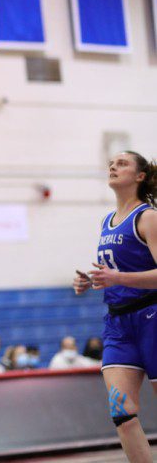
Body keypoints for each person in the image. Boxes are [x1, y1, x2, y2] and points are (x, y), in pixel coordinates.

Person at [73, 151, 157, 463]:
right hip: (118, 324)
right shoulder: (107, 221)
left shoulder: (148, 217)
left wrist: (118, 277)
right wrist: (91, 280)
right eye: (111, 163)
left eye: (122, 163)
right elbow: (116, 272)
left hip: (152, 317)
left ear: (140, 176)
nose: (113, 166)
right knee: (122, 413)